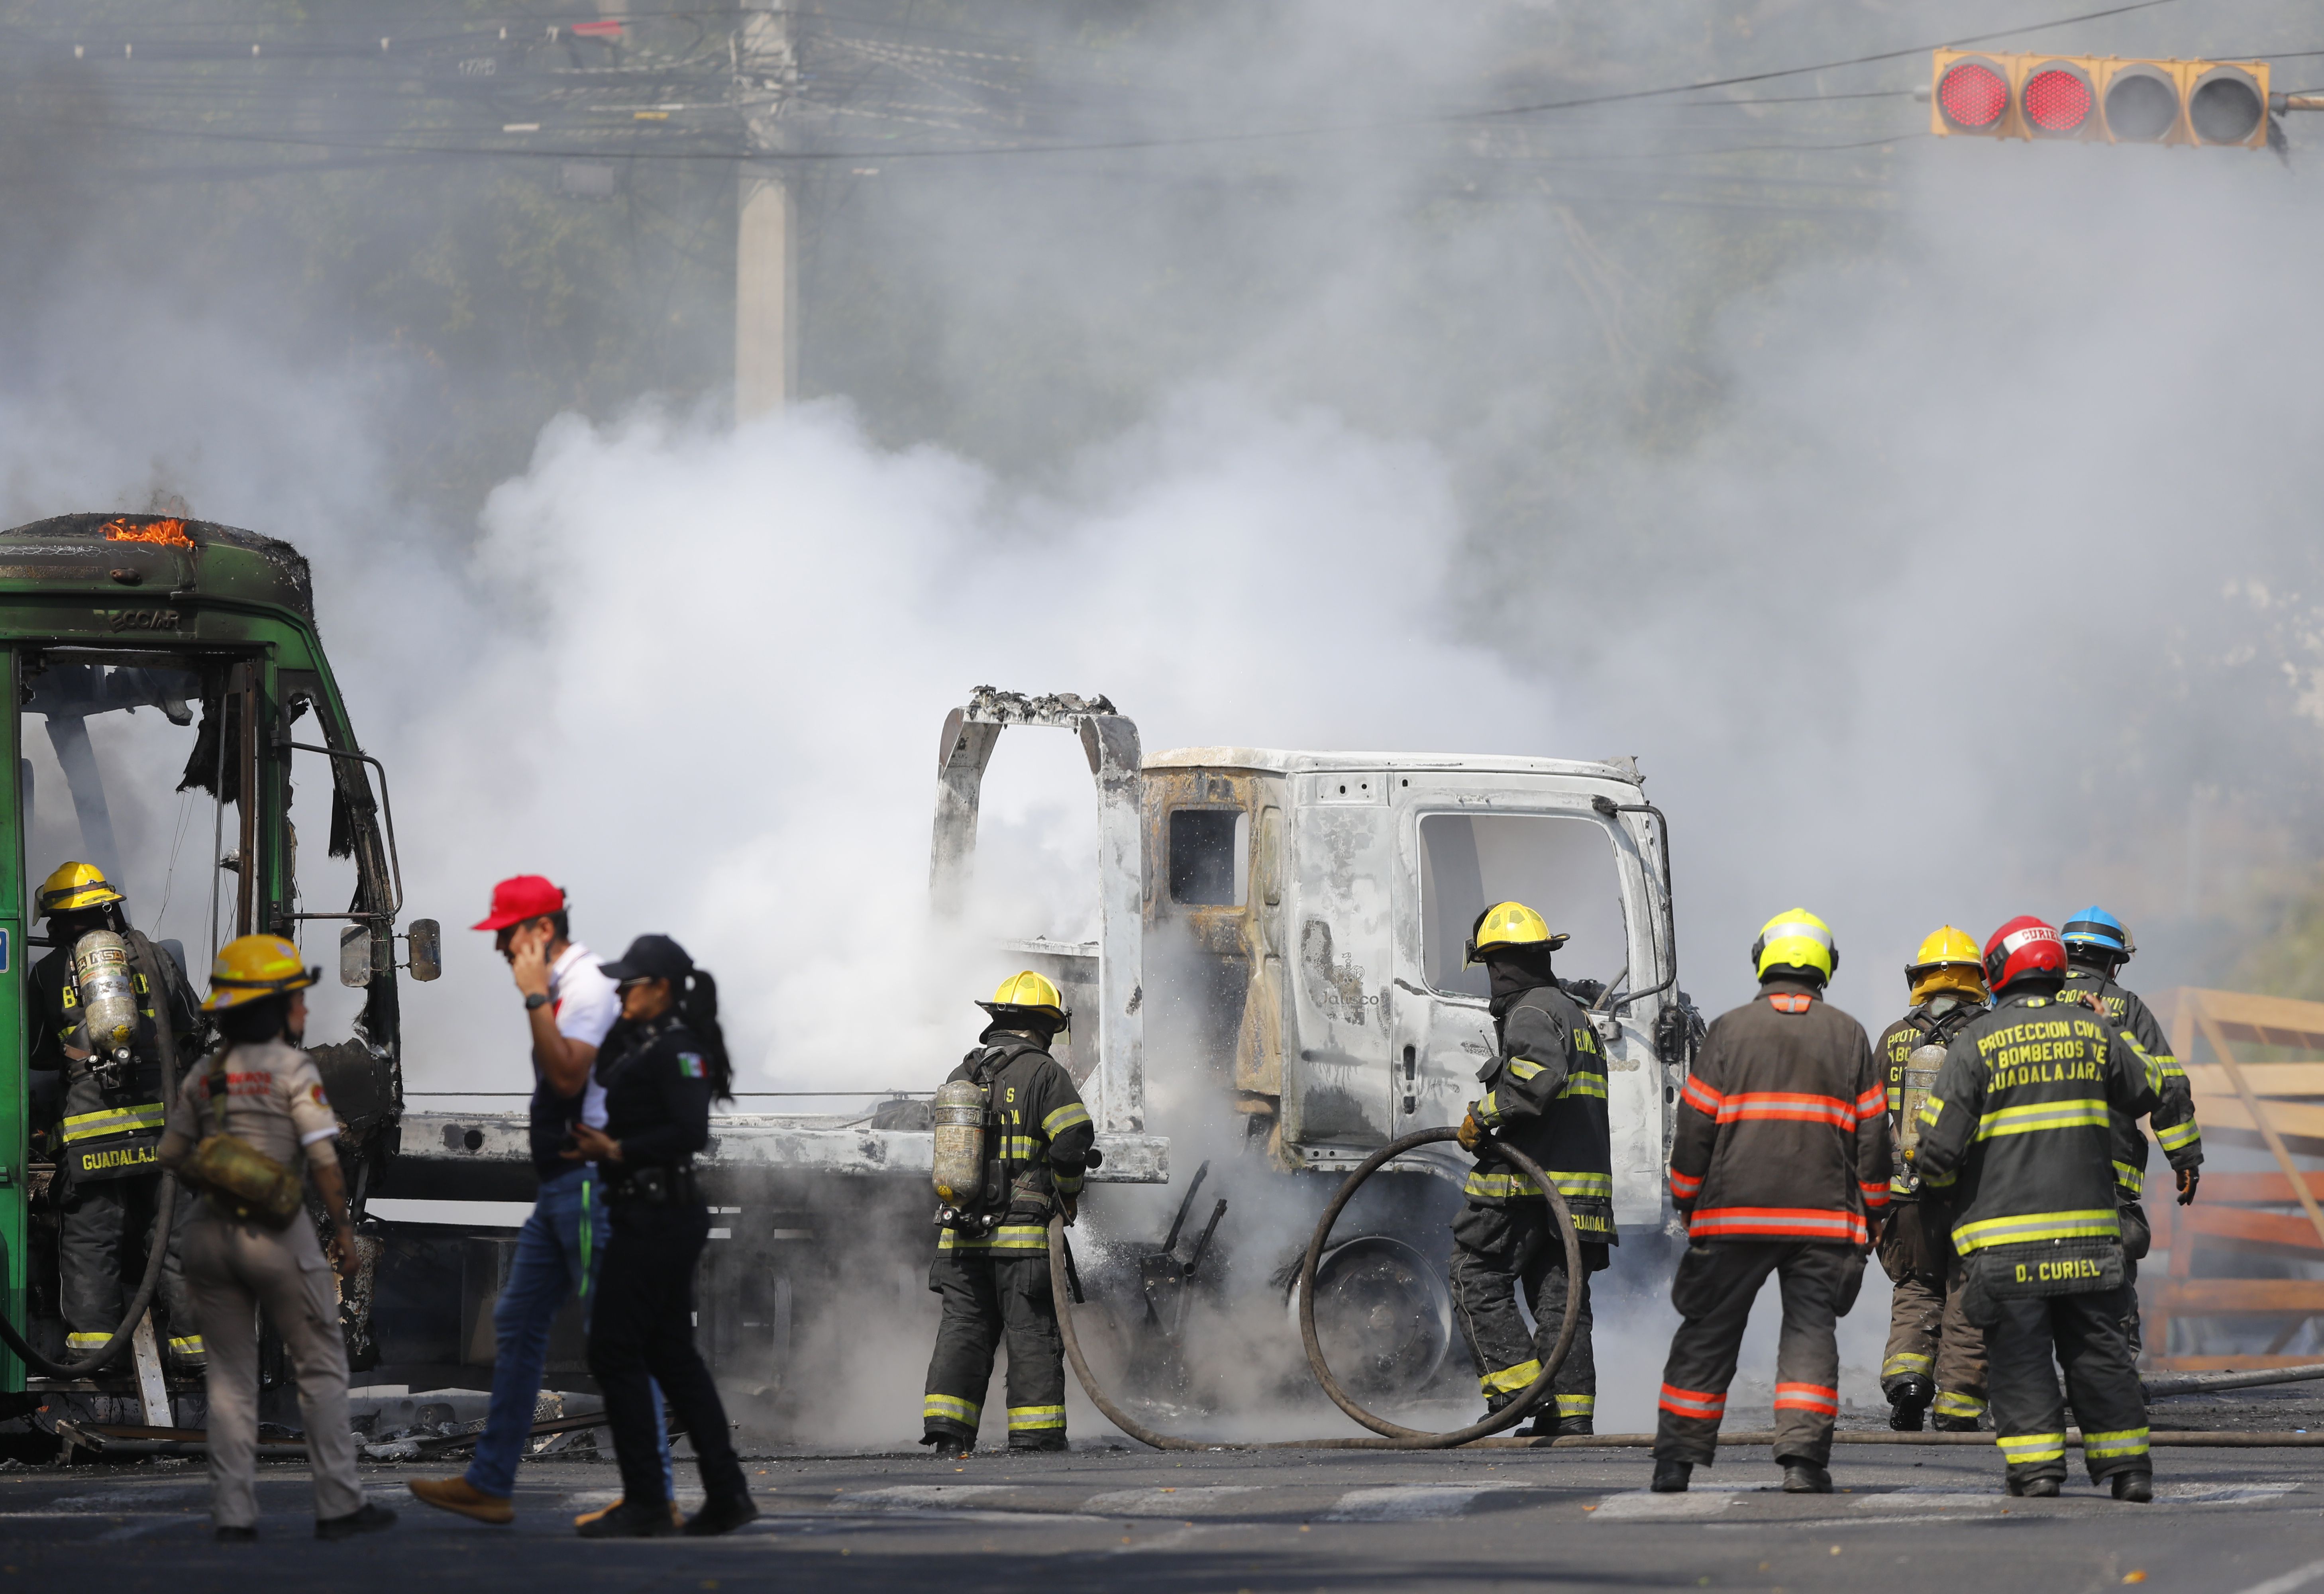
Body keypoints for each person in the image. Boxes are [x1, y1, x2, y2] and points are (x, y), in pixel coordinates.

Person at [409, 876, 671, 1528]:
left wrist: (531, 998)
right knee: (518, 1322)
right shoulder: (567, 991)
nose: (500, 948)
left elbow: (566, 1074)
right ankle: (491, 1482)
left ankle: (652, 1494)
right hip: (563, 1189)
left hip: (589, 1191)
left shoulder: (582, 989)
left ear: (543, 932)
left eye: (507, 935)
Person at [157, 934, 396, 1542]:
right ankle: (339, 1505)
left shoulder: (205, 1075)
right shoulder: (293, 1070)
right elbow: (322, 1160)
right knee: (319, 1365)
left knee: (231, 1379)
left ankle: (234, 1514)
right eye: (294, 997)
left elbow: (172, 1154)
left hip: (211, 1237)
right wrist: (341, 1231)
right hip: (278, 1236)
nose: (304, 1009)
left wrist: (226, 1170)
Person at [1915, 915, 2163, 1501]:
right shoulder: (2094, 1032)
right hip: (2089, 1240)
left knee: (2021, 1359)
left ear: (1999, 973)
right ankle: (2129, 1471)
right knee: (2099, 1353)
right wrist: (2112, 1032)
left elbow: (1937, 1153)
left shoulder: (1976, 1042)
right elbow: (2150, 1090)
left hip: (2006, 1248)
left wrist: (1949, 1187)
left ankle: (2038, 1471)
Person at [1651, 909, 1888, 1496]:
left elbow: (1695, 1125)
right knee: (1810, 1336)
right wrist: (1875, 1211)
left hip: (1734, 1217)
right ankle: (1803, 1463)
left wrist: (1685, 1196)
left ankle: (1676, 1462)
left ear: (1764, 961)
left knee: (1707, 1333)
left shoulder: (1730, 1032)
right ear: (1825, 966)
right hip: (1822, 1223)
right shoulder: (1849, 1035)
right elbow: (1874, 1138)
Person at [571, 934, 756, 1538]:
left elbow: (690, 1130)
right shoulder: (641, 1042)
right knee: (672, 1357)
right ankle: (725, 1494)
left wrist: (618, 1149)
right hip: (644, 1214)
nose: (622, 992)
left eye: (633, 984)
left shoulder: (679, 1049)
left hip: (659, 1217)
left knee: (615, 1350)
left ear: (664, 990)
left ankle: (650, 1499)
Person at [31, 861, 206, 1370]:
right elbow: (192, 1025)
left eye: (56, 921)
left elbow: (40, 1054)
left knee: (91, 1240)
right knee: (174, 1236)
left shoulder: (47, 971)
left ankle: (94, 1350)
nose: (50, 931)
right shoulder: (158, 958)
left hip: (92, 1132)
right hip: (164, 1130)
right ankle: (196, 1351)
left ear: (68, 922)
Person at [1448, 901, 1611, 1439]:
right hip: (1578, 1198)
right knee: (1559, 1306)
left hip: (1528, 1188)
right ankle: (1569, 1415)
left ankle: (1515, 1393)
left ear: (1498, 965)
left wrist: (1482, 1115)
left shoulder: (1531, 1012)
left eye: (1492, 967)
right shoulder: (1574, 1013)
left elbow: (1536, 1081)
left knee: (1475, 1276)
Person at [921, 972, 1095, 1459]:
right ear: (1047, 1025)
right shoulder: (1044, 1073)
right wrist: (1067, 1193)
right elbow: (1073, 1139)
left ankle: (949, 1433)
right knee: (1032, 1335)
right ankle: (1036, 1438)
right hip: (1020, 1244)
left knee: (964, 1332)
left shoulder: (963, 1074)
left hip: (959, 1240)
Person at [2059, 906, 2202, 1353]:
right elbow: (2168, 1086)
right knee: (2111, 1285)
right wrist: (2185, 1159)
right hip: (2109, 1178)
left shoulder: (2026, 1003)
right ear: (2112, 962)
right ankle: (2114, 1380)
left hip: (2023, 1176)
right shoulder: (2125, 1007)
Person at [1873, 927, 1991, 1433]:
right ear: (1977, 978)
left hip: (1908, 1200)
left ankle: (1908, 1383)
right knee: (1965, 1292)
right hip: (1974, 1197)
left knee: (1917, 1288)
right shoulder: (1993, 1033)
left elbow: (1871, 1122)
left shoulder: (1894, 1038)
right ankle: (1959, 1403)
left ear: (1919, 979)